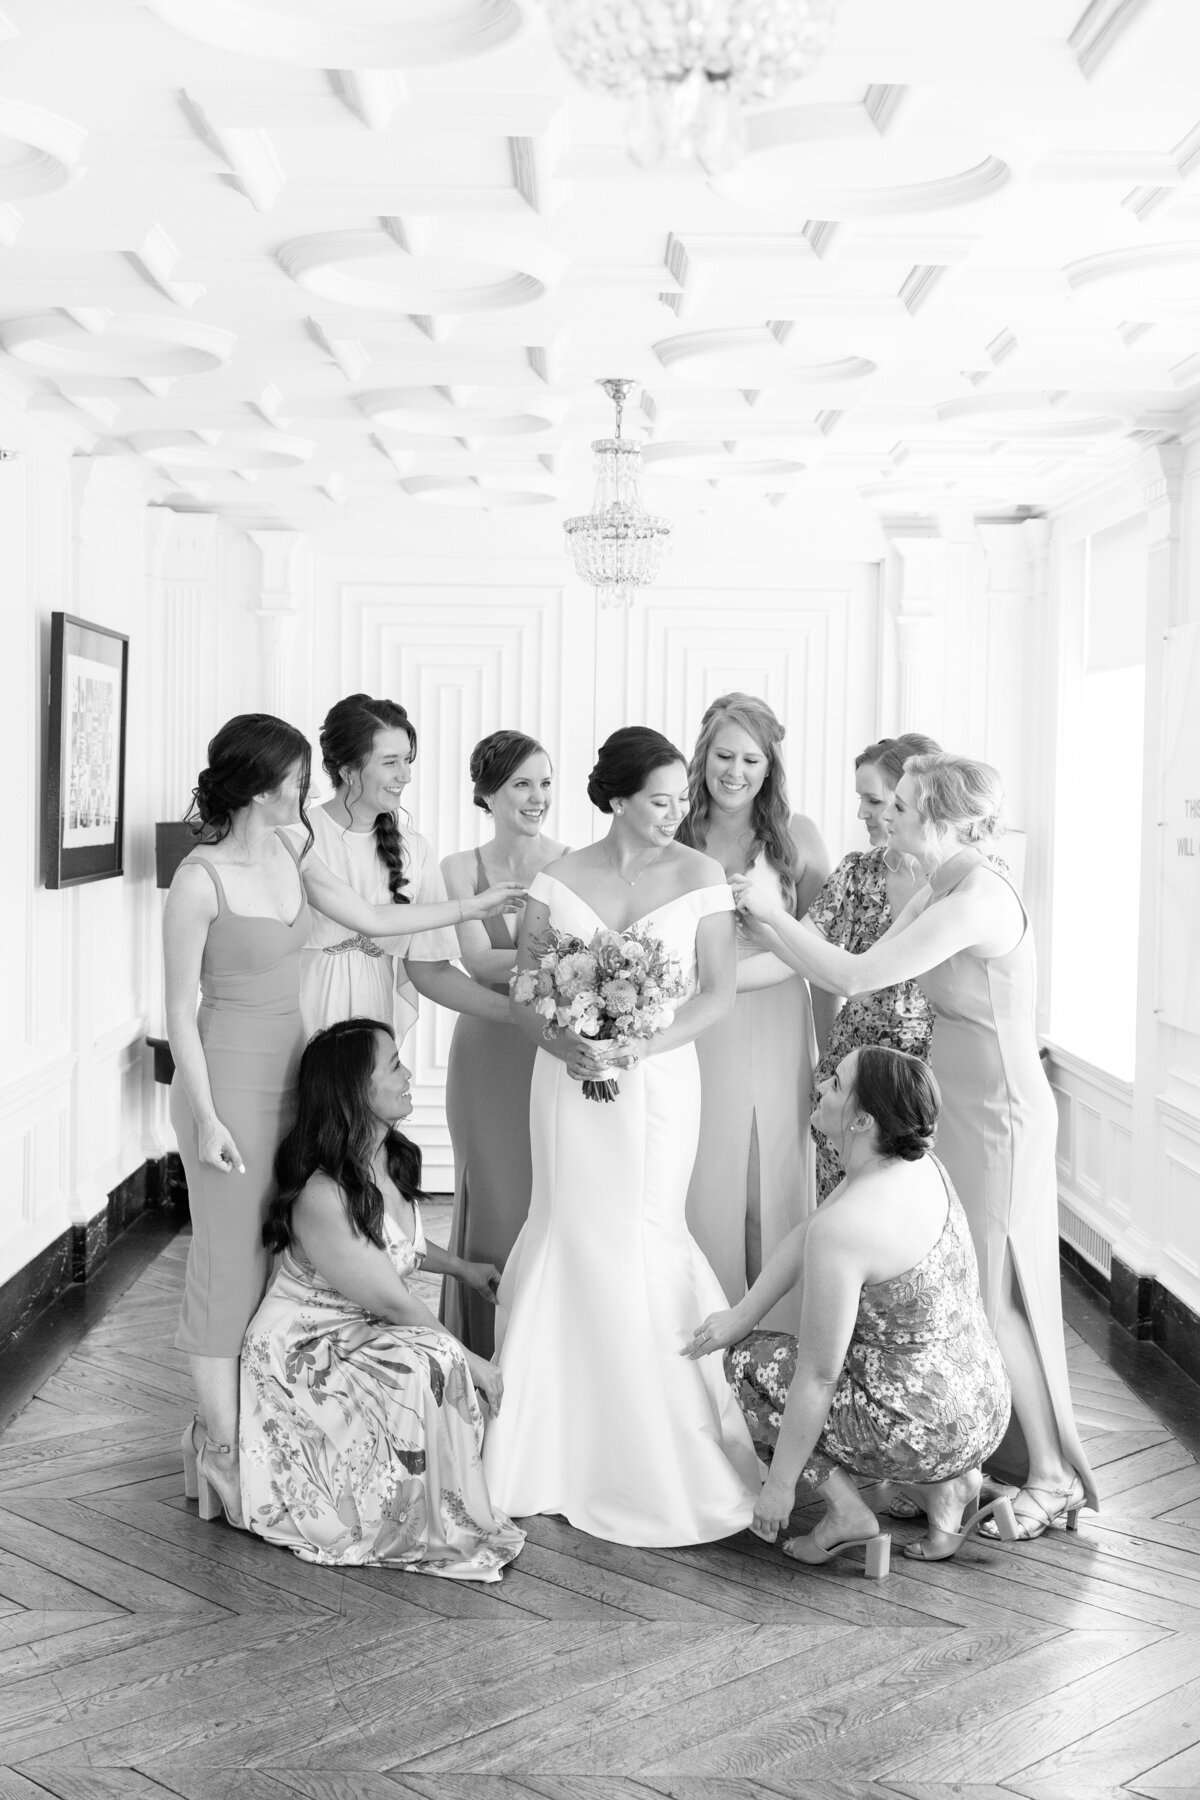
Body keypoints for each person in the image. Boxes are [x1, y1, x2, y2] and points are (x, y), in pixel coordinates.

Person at [167, 713, 522, 1528]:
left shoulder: (294, 852)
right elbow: (179, 1013)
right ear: (262, 784)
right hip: (224, 1084)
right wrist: (207, 1116)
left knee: (275, 1253)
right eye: (295, 777)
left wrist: (473, 901)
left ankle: (258, 1425)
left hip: (290, 1072)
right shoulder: (198, 879)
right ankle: (221, 1451)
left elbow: (373, 922)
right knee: (226, 1268)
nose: (307, 788)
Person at [731, 752, 1097, 1538]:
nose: (884, 814)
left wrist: (769, 909)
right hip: (953, 1102)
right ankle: (963, 1462)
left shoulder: (980, 898)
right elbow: (831, 965)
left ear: (943, 816)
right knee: (954, 1283)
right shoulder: (939, 885)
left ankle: (1053, 1474)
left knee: (995, 1291)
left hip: (1000, 1109)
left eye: (900, 803)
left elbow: (857, 978)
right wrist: (759, 927)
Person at [482, 727, 762, 1546]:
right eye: (660, 800)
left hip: (662, 1078)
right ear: (617, 799)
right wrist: (561, 1041)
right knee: (568, 1226)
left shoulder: (701, 876)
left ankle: (660, 1443)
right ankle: (545, 1447)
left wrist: (643, 1044)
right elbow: (530, 991)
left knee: (645, 1232)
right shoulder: (557, 878)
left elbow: (716, 995)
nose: (677, 813)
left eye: (683, 799)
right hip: (567, 1083)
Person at [688, 1047, 1014, 1570]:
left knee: (746, 1366)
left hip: (923, 1427)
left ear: (863, 1119)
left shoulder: (848, 1229)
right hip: (983, 1406)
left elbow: (818, 1376)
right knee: (796, 1353)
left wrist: (779, 1486)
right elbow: (811, 1229)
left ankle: (846, 1516)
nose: (821, 1087)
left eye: (836, 1084)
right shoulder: (917, 1163)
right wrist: (744, 1312)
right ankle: (948, 1488)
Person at [240, 1019, 526, 1578]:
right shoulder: (322, 1194)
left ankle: (444, 1508)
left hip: (360, 1323)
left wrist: (464, 1269)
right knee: (432, 1362)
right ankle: (392, 1520)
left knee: (433, 1360)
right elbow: (396, 1303)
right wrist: (475, 1364)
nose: (409, 1073)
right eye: (393, 1064)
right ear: (355, 1091)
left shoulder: (385, 1158)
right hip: (303, 1350)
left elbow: (400, 1248)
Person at [678, 694, 832, 1328]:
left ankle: (778, 1337)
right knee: (702, 1175)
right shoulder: (675, 830)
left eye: (751, 759)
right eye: (723, 755)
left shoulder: (799, 838)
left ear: (770, 768)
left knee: (771, 1179)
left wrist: (828, 1050)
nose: (735, 772)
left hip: (778, 1025)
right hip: (696, 1027)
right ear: (702, 756)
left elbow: (823, 951)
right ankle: (702, 1327)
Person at [440, 730, 568, 1356]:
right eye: (522, 783)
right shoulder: (459, 869)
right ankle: (481, 1360)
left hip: (551, 1049)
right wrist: (549, 963)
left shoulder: (573, 860)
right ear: (487, 793)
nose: (537, 796)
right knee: (492, 1195)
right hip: (486, 1053)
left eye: (545, 781)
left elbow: (508, 958)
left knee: (552, 1191)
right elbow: (477, 962)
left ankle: (543, 1361)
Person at [296, 693, 519, 1046]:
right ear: (348, 771)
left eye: (407, 760)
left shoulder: (413, 848)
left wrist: (516, 1013)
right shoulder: (298, 837)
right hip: (297, 1018)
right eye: (390, 762)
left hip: (373, 1025)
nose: (406, 775)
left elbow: (429, 970)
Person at [808, 733, 940, 1204]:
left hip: (928, 1079)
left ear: (915, 805)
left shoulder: (960, 886)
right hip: (854, 1078)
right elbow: (802, 950)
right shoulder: (855, 873)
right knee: (843, 1209)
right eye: (860, 799)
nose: (862, 813)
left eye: (875, 800)